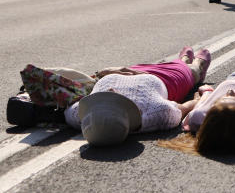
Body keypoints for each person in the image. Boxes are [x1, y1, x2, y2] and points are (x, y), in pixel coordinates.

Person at [63, 46, 213, 146]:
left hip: (130, 70)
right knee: (189, 72)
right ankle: (197, 66)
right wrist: (198, 99)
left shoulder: (80, 116)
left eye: (102, 99)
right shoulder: (156, 113)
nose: (110, 89)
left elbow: (66, 101)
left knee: (178, 64)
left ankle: (182, 60)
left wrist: (105, 72)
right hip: (169, 80)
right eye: (112, 98)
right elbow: (182, 109)